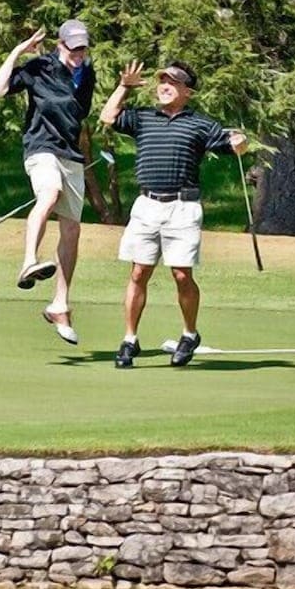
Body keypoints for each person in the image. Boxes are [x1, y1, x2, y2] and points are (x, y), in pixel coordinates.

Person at [99, 60, 247, 368]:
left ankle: (189, 334)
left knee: (181, 274)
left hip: (183, 206)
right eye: (162, 81)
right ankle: (129, 339)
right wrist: (125, 86)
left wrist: (240, 142)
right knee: (139, 272)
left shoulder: (201, 125)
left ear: (187, 92)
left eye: (173, 83)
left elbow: (233, 146)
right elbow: (107, 116)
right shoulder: (143, 118)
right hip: (146, 206)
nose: (164, 86)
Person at [0, 19, 97, 345]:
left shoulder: (87, 72)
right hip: (40, 149)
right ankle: (28, 262)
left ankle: (60, 304)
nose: (79, 53)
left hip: (71, 155)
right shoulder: (40, 67)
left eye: (83, 47)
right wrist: (18, 52)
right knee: (49, 194)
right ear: (60, 44)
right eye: (73, 47)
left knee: (72, 229)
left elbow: (79, 113)